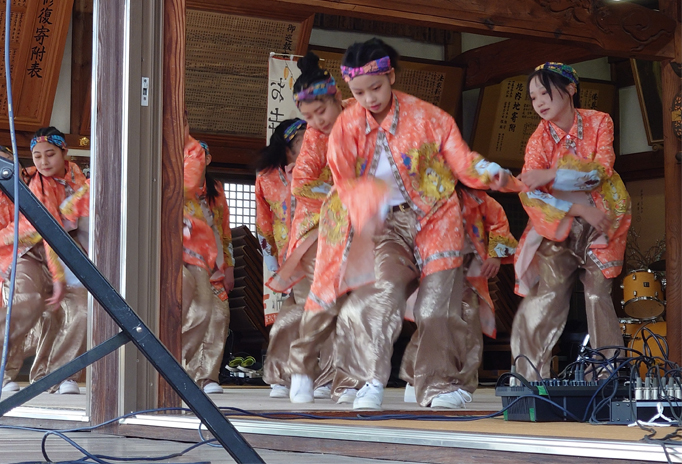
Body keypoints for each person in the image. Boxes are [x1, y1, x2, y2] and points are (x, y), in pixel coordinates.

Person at [288, 38, 510, 410]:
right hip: (377, 222)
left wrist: (490, 172)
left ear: (391, 75)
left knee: (436, 307)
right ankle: (366, 381)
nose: (369, 99)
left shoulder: (427, 117)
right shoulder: (344, 127)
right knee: (375, 294)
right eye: (359, 92)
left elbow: (461, 160)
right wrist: (364, 207)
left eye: (375, 88)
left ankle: (438, 384)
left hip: (435, 218)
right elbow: (340, 180)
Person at [511, 62, 631, 381]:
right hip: (560, 222)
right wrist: (577, 209)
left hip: (603, 218)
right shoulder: (538, 140)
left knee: (596, 293)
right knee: (547, 295)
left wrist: (550, 174)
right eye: (533, 97)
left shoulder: (599, 121)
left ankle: (606, 374)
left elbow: (600, 172)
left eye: (545, 92)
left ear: (570, 89)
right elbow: (531, 195)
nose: (539, 102)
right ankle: (529, 376)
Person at [400, 185, 518, 403]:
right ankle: (416, 378)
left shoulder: (479, 200)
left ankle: (461, 384)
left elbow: (498, 221)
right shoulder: (427, 196)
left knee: (468, 324)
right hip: (434, 270)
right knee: (430, 322)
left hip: (467, 274)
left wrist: (495, 255)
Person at [0, 128, 88, 394]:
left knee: (82, 307)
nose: (43, 162)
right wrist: (58, 278)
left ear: (64, 152)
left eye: (50, 154)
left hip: (63, 251)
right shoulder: (33, 183)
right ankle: (3, 374)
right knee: (26, 302)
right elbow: (47, 230)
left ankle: (59, 376)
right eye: (37, 156)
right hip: (25, 253)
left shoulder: (79, 180)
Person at [257, 118, 336, 399]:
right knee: (304, 311)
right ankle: (284, 375)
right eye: (304, 136)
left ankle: (316, 378)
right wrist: (271, 263)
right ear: (288, 143)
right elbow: (263, 223)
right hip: (287, 255)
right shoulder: (266, 177)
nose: (312, 140)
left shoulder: (324, 167)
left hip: (320, 245)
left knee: (317, 308)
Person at [182, 124, 234, 394]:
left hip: (213, 259)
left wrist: (229, 266)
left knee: (220, 315)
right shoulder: (177, 184)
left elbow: (224, 230)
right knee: (193, 312)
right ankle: (184, 370)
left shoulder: (215, 189)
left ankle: (209, 377)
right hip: (184, 257)